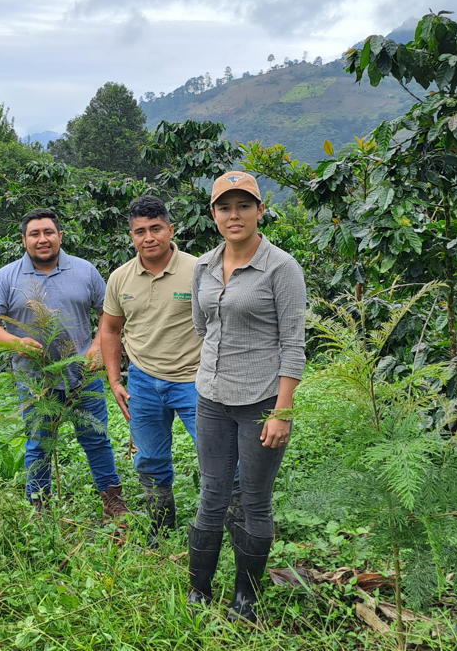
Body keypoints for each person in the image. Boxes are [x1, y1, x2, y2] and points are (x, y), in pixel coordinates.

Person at [187, 171, 306, 622]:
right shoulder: (203, 266)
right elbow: (203, 325)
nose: (233, 215)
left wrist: (282, 411)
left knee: (254, 499)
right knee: (212, 493)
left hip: (260, 403)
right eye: (224, 207)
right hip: (212, 397)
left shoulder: (281, 267)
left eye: (243, 206)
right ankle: (199, 590)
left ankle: (246, 599)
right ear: (214, 214)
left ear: (260, 210)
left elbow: (293, 343)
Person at [0, 208, 129, 520]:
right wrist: (16, 343)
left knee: (97, 439)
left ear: (60, 236)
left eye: (48, 232)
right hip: (36, 382)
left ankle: (113, 503)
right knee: (38, 445)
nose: (42, 239)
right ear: (24, 240)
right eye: (34, 234)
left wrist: (98, 346)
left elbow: (109, 313)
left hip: (83, 376)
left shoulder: (85, 271)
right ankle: (40, 507)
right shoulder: (6, 277)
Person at [100, 195, 202, 543]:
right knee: (151, 460)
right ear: (131, 236)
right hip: (142, 382)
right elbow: (110, 329)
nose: (149, 238)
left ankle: (228, 528)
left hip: (194, 380)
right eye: (140, 231)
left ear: (171, 230)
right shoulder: (120, 278)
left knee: (216, 455)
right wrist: (115, 380)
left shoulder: (198, 270)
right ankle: (162, 530)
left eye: (156, 228)